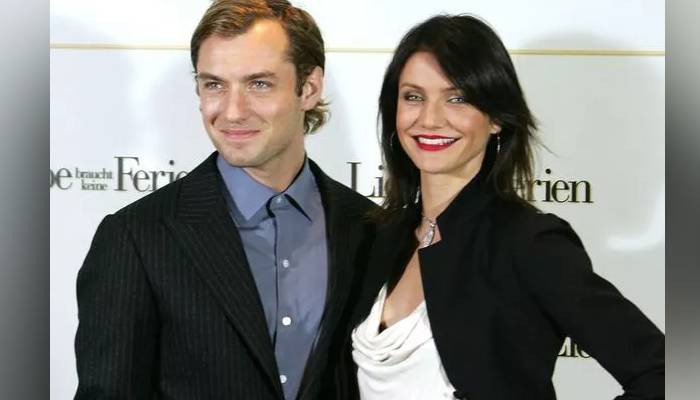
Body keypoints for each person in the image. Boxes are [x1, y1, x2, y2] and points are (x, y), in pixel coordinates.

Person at [346, 14, 664, 400]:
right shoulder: (379, 236)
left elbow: (663, 373)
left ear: (496, 117)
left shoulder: (529, 242)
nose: (429, 119)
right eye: (413, 96)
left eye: (457, 98)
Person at [74, 1, 376, 399]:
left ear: (309, 88)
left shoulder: (370, 228)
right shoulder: (136, 237)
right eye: (214, 84)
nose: (232, 112)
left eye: (259, 84)